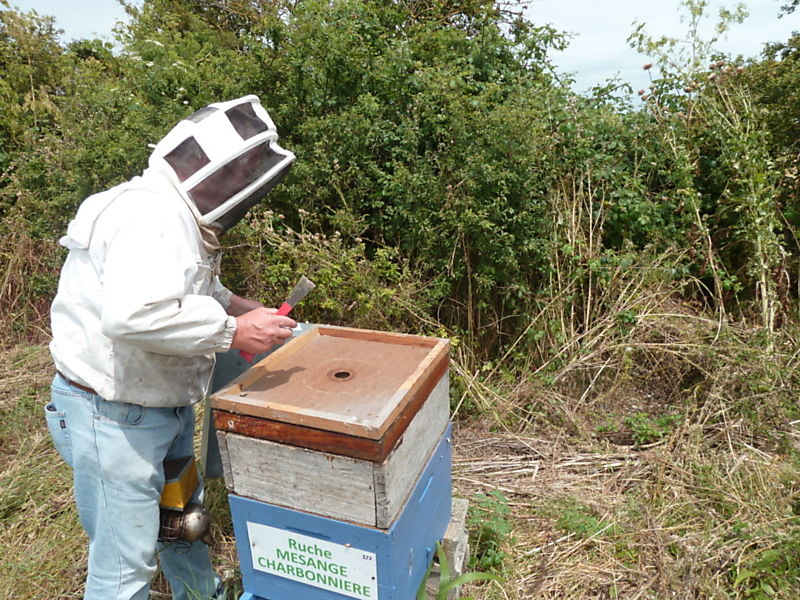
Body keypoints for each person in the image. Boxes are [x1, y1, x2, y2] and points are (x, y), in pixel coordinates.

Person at [45, 95, 298, 600]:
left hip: (160, 407)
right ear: (207, 168)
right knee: (124, 566)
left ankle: (203, 594)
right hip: (114, 417)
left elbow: (195, 292)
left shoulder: (175, 215)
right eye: (239, 171)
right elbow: (133, 315)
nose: (239, 184)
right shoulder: (149, 216)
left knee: (181, 520)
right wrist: (233, 333)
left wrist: (246, 310)